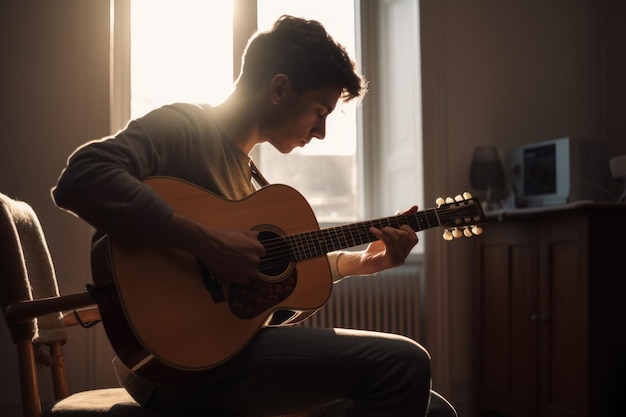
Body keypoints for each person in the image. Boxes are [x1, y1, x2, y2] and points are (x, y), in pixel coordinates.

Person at [53, 15, 456, 417]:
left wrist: (361, 263)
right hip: (175, 366)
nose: (321, 133)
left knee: (434, 409)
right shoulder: (184, 127)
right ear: (279, 88)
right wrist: (205, 242)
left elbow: (274, 285)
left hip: (226, 352)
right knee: (406, 364)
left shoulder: (251, 181)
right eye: (320, 111)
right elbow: (82, 177)